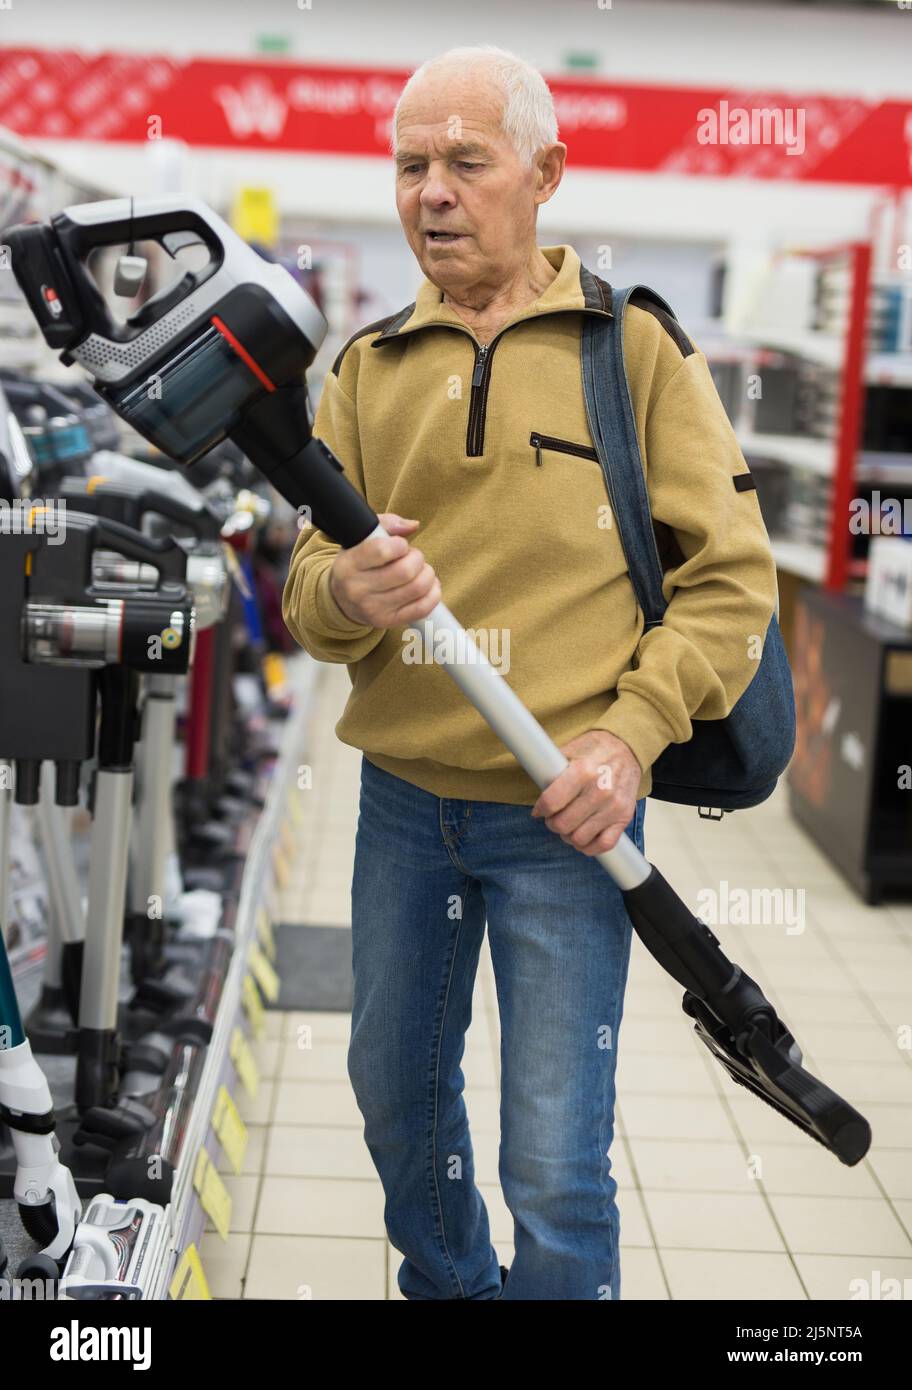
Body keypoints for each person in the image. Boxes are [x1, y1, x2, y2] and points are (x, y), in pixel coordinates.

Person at [282, 44, 779, 1301]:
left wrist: (629, 738)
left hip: (572, 814)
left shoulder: (637, 355)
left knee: (555, 1153)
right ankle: (452, 1290)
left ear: (545, 174)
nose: (432, 193)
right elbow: (300, 594)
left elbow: (733, 582)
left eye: (465, 161)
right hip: (402, 807)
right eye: (409, 166)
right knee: (394, 1095)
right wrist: (346, 591)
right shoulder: (363, 368)